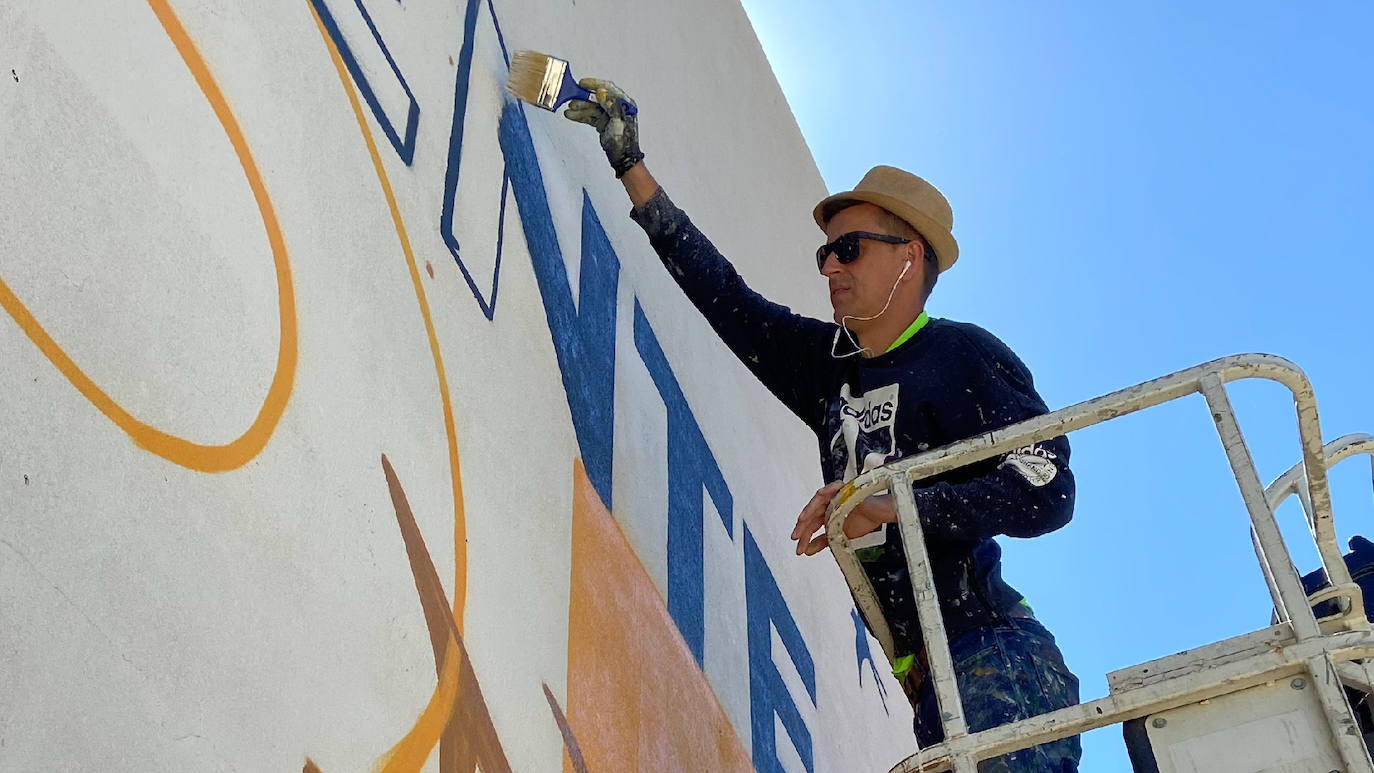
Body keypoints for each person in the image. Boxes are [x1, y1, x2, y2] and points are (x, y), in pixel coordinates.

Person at [563, 78, 1082, 772]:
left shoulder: (961, 355)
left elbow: (1047, 490)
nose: (831, 266)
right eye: (825, 254)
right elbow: (728, 300)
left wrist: (890, 502)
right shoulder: (825, 367)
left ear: (910, 257)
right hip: (928, 681)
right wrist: (630, 163)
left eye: (852, 249)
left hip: (998, 659)